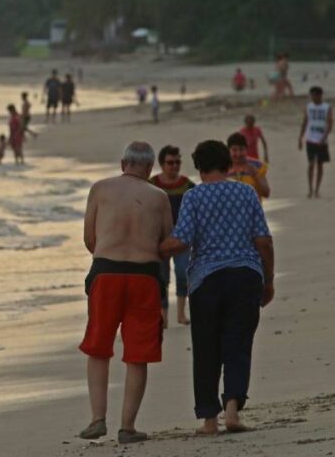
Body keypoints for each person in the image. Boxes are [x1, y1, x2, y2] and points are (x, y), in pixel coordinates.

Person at [160, 140, 274, 435]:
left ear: (198, 167)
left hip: (206, 281)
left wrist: (152, 249)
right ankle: (233, 410)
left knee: (206, 348)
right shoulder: (246, 192)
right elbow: (263, 240)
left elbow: (182, 241)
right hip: (245, 275)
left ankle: (210, 420)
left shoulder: (193, 197)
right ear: (226, 164)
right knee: (238, 344)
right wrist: (269, 278)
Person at [78, 142, 171, 444]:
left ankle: (97, 418)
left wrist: (109, 254)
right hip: (144, 276)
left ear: (123, 164)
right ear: (149, 167)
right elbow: (166, 241)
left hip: (106, 272)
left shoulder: (100, 189)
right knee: (138, 353)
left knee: (98, 346)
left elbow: (89, 238)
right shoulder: (159, 196)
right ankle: (127, 427)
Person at [149, 146, 195, 326]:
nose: (174, 166)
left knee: (183, 273)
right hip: (159, 237)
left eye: (177, 162)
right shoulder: (152, 185)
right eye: (170, 162)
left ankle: (181, 314)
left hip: (182, 236)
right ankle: (163, 317)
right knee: (162, 277)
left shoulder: (188, 185)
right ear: (161, 164)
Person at [299, 86, 333, 198]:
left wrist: (323, 138)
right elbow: (305, 121)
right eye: (311, 95)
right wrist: (300, 137)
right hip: (310, 139)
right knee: (311, 164)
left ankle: (317, 189)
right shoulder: (308, 107)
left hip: (322, 140)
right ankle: (310, 189)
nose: (313, 97)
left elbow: (330, 124)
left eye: (315, 95)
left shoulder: (327, 107)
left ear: (320, 95)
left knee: (320, 164)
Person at [227, 133, 270, 200]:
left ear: (246, 149)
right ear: (228, 150)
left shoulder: (258, 166)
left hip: (253, 209)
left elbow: (266, 193)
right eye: (234, 150)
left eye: (241, 149)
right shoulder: (223, 168)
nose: (238, 154)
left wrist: (255, 175)